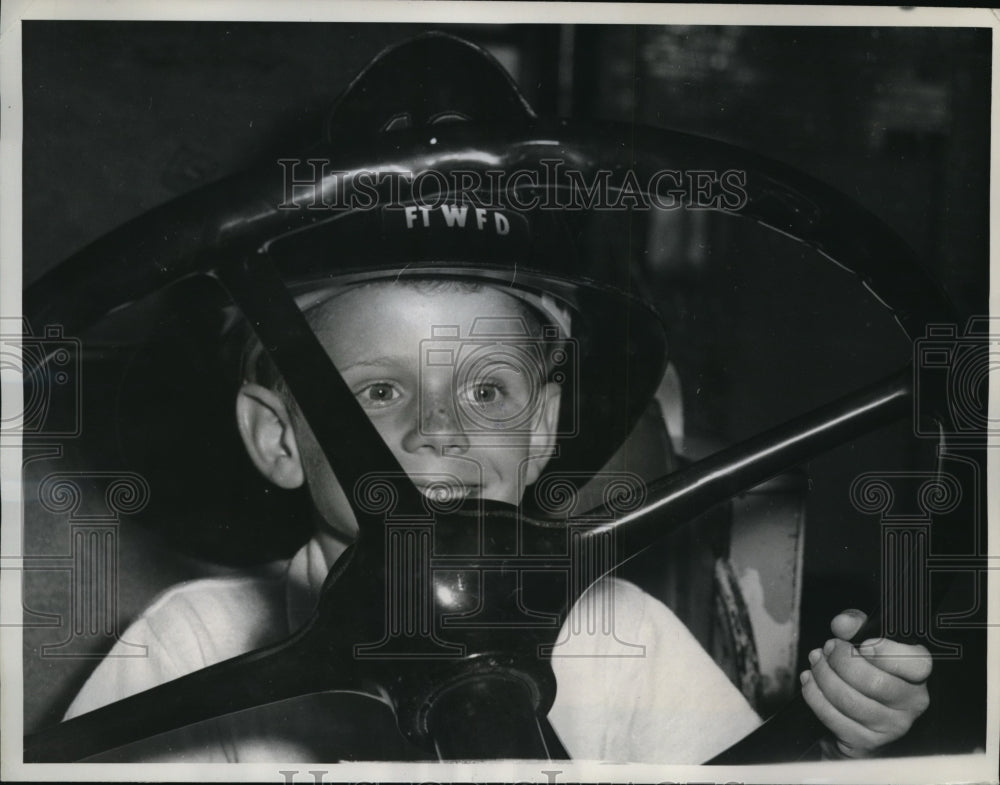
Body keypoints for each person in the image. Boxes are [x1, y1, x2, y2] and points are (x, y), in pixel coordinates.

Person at [61, 34, 932, 765]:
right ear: (277, 438)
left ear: (543, 425)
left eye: (486, 388)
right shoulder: (188, 650)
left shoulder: (628, 640)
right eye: (377, 390)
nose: (438, 429)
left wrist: (834, 738)